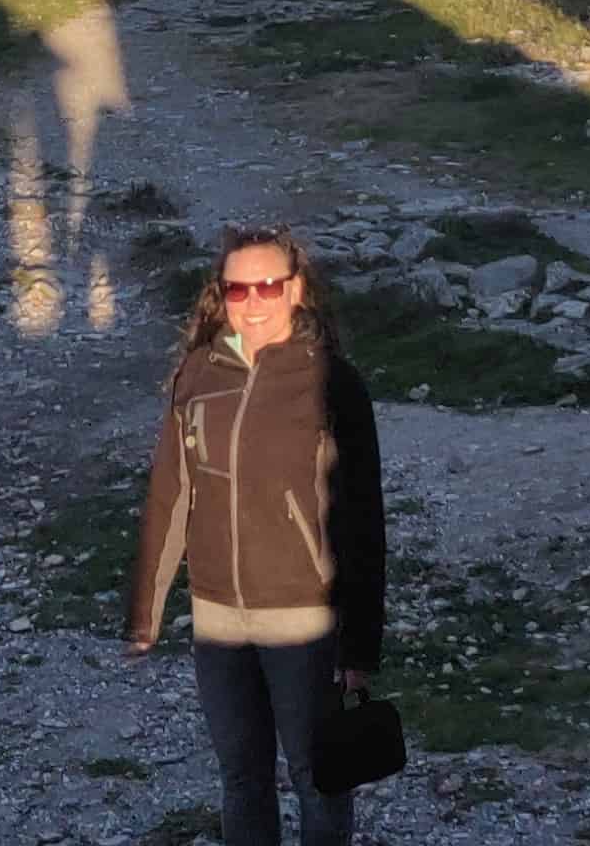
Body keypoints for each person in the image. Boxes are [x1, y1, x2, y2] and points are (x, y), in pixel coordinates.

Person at [123, 226, 387, 846]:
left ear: (296, 289)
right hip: (217, 620)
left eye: (267, 285)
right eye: (236, 288)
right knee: (241, 776)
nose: (253, 301)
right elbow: (170, 495)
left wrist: (360, 647)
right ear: (220, 295)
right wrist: (146, 613)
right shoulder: (198, 374)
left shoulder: (332, 382)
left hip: (302, 621)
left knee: (318, 776)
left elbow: (362, 520)